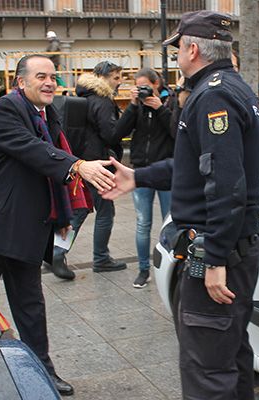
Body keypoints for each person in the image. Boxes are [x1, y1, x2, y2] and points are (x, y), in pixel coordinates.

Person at [102, 11, 259, 399]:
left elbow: (226, 184)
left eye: (177, 49)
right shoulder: (231, 88)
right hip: (232, 246)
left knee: (207, 370)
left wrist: (214, 258)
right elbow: (195, 164)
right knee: (230, 355)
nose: (176, 56)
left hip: (215, 247)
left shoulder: (214, 94)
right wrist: (138, 177)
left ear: (193, 48)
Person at [0, 54, 117, 396]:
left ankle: (43, 373)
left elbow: (47, 165)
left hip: (28, 227)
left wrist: (62, 216)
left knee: (31, 309)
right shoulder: (7, 108)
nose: (50, 82)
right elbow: (30, 149)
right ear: (21, 82)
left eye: (52, 77)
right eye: (40, 76)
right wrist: (78, 166)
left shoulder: (48, 114)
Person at [46, 60, 127, 279]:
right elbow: (111, 134)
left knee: (80, 209)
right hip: (97, 164)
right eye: (116, 77)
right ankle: (99, 258)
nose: (119, 82)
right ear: (103, 78)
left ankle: (55, 252)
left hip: (80, 161)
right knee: (104, 212)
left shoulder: (83, 96)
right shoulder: (102, 101)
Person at [112, 67, 175, 288]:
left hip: (166, 171)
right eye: (138, 87)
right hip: (140, 172)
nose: (142, 90)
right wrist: (132, 106)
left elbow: (178, 133)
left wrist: (161, 109)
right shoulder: (136, 106)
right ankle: (143, 269)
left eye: (145, 86)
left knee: (170, 222)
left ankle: (171, 267)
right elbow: (117, 133)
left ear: (156, 84)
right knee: (142, 223)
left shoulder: (171, 102)